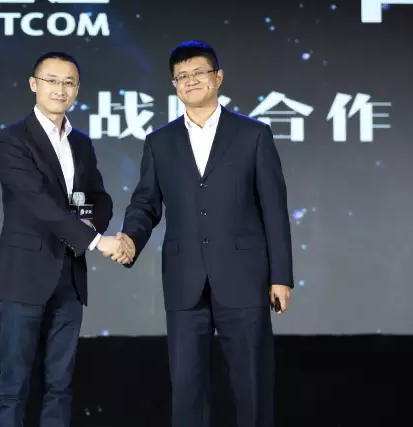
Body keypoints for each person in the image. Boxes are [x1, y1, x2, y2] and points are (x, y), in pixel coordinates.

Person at [111, 41, 294, 427]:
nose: (190, 81)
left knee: (252, 382)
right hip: (185, 279)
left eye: (198, 73)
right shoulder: (160, 142)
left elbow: (274, 210)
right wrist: (130, 238)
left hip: (244, 277)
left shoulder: (253, 135)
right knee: (187, 387)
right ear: (174, 86)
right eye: (182, 76)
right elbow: (145, 204)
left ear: (218, 78)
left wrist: (280, 276)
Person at [0, 51, 124, 427]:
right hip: (24, 275)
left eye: (69, 82)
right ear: (34, 84)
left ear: (77, 90)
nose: (60, 89)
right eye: (52, 80)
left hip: (69, 275)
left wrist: (90, 224)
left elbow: (99, 198)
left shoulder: (80, 142)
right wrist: (96, 241)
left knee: (60, 385)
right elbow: (38, 203)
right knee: (14, 383)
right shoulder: (11, 140)